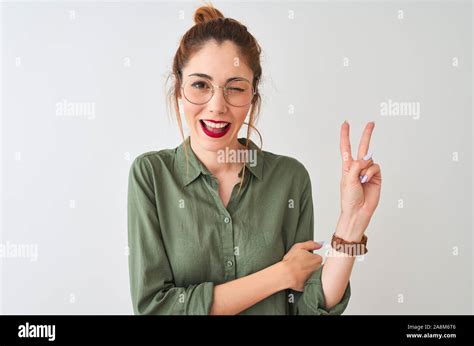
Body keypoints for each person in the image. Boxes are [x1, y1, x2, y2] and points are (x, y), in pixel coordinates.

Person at [127, 2, 382, 315]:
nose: (217, 106)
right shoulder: (151, 175)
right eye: (200, 85)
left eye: (235, 88)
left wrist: (352, 222)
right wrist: (280, 275)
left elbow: (306, 307)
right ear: (180, 89)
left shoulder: (290, 178)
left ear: (252, 96)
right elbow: (155, 309)